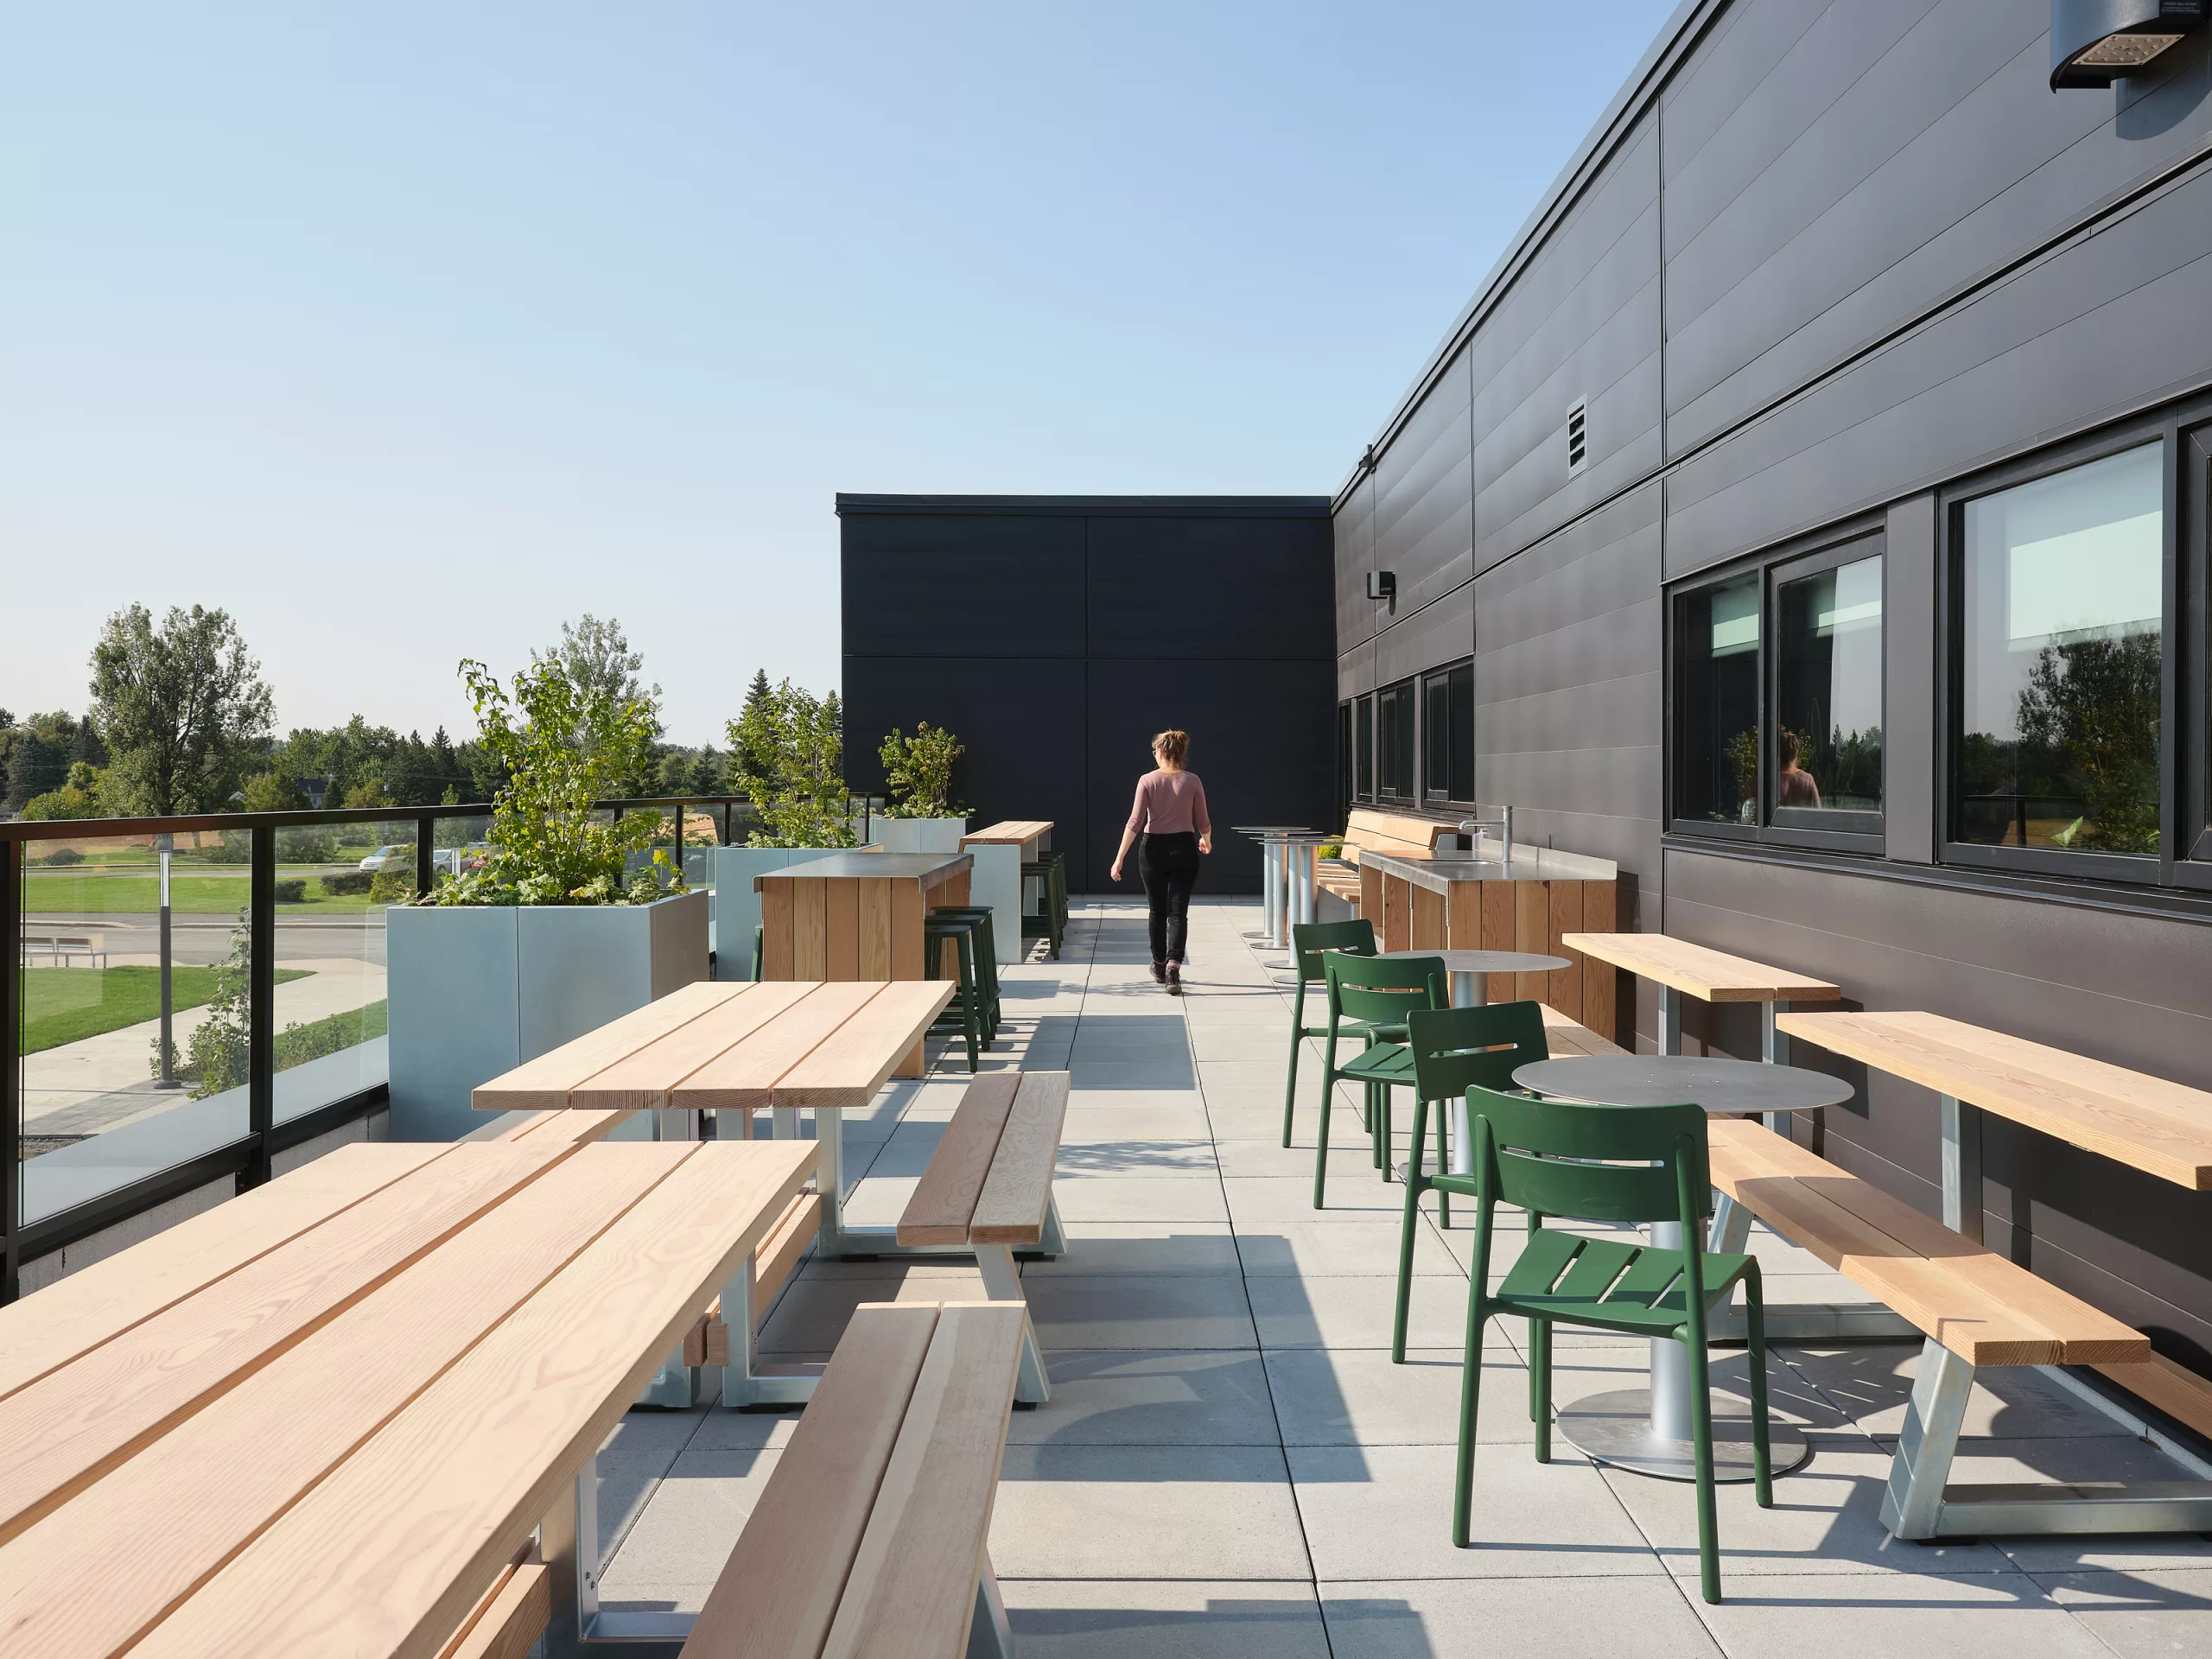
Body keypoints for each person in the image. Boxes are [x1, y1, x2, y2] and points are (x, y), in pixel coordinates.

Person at [1109, 728, 1211, 994]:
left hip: (1153, 849)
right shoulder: (1193, 781)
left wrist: (1119, 858)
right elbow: (1203, 821)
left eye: (1154, 751)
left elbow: (1135, 822)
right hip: (1184, 849)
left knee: (1157, 912)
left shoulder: (1147, 780)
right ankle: (1174, 970)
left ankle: (1158, 963)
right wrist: (1206, 840)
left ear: (1162, 752)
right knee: (1178, 912)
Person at [1777, 730, 1822, 808]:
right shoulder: (1807, 780)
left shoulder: (1764, 781)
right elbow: (1818, 813)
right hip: (1801, 820)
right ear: (1796, 753)